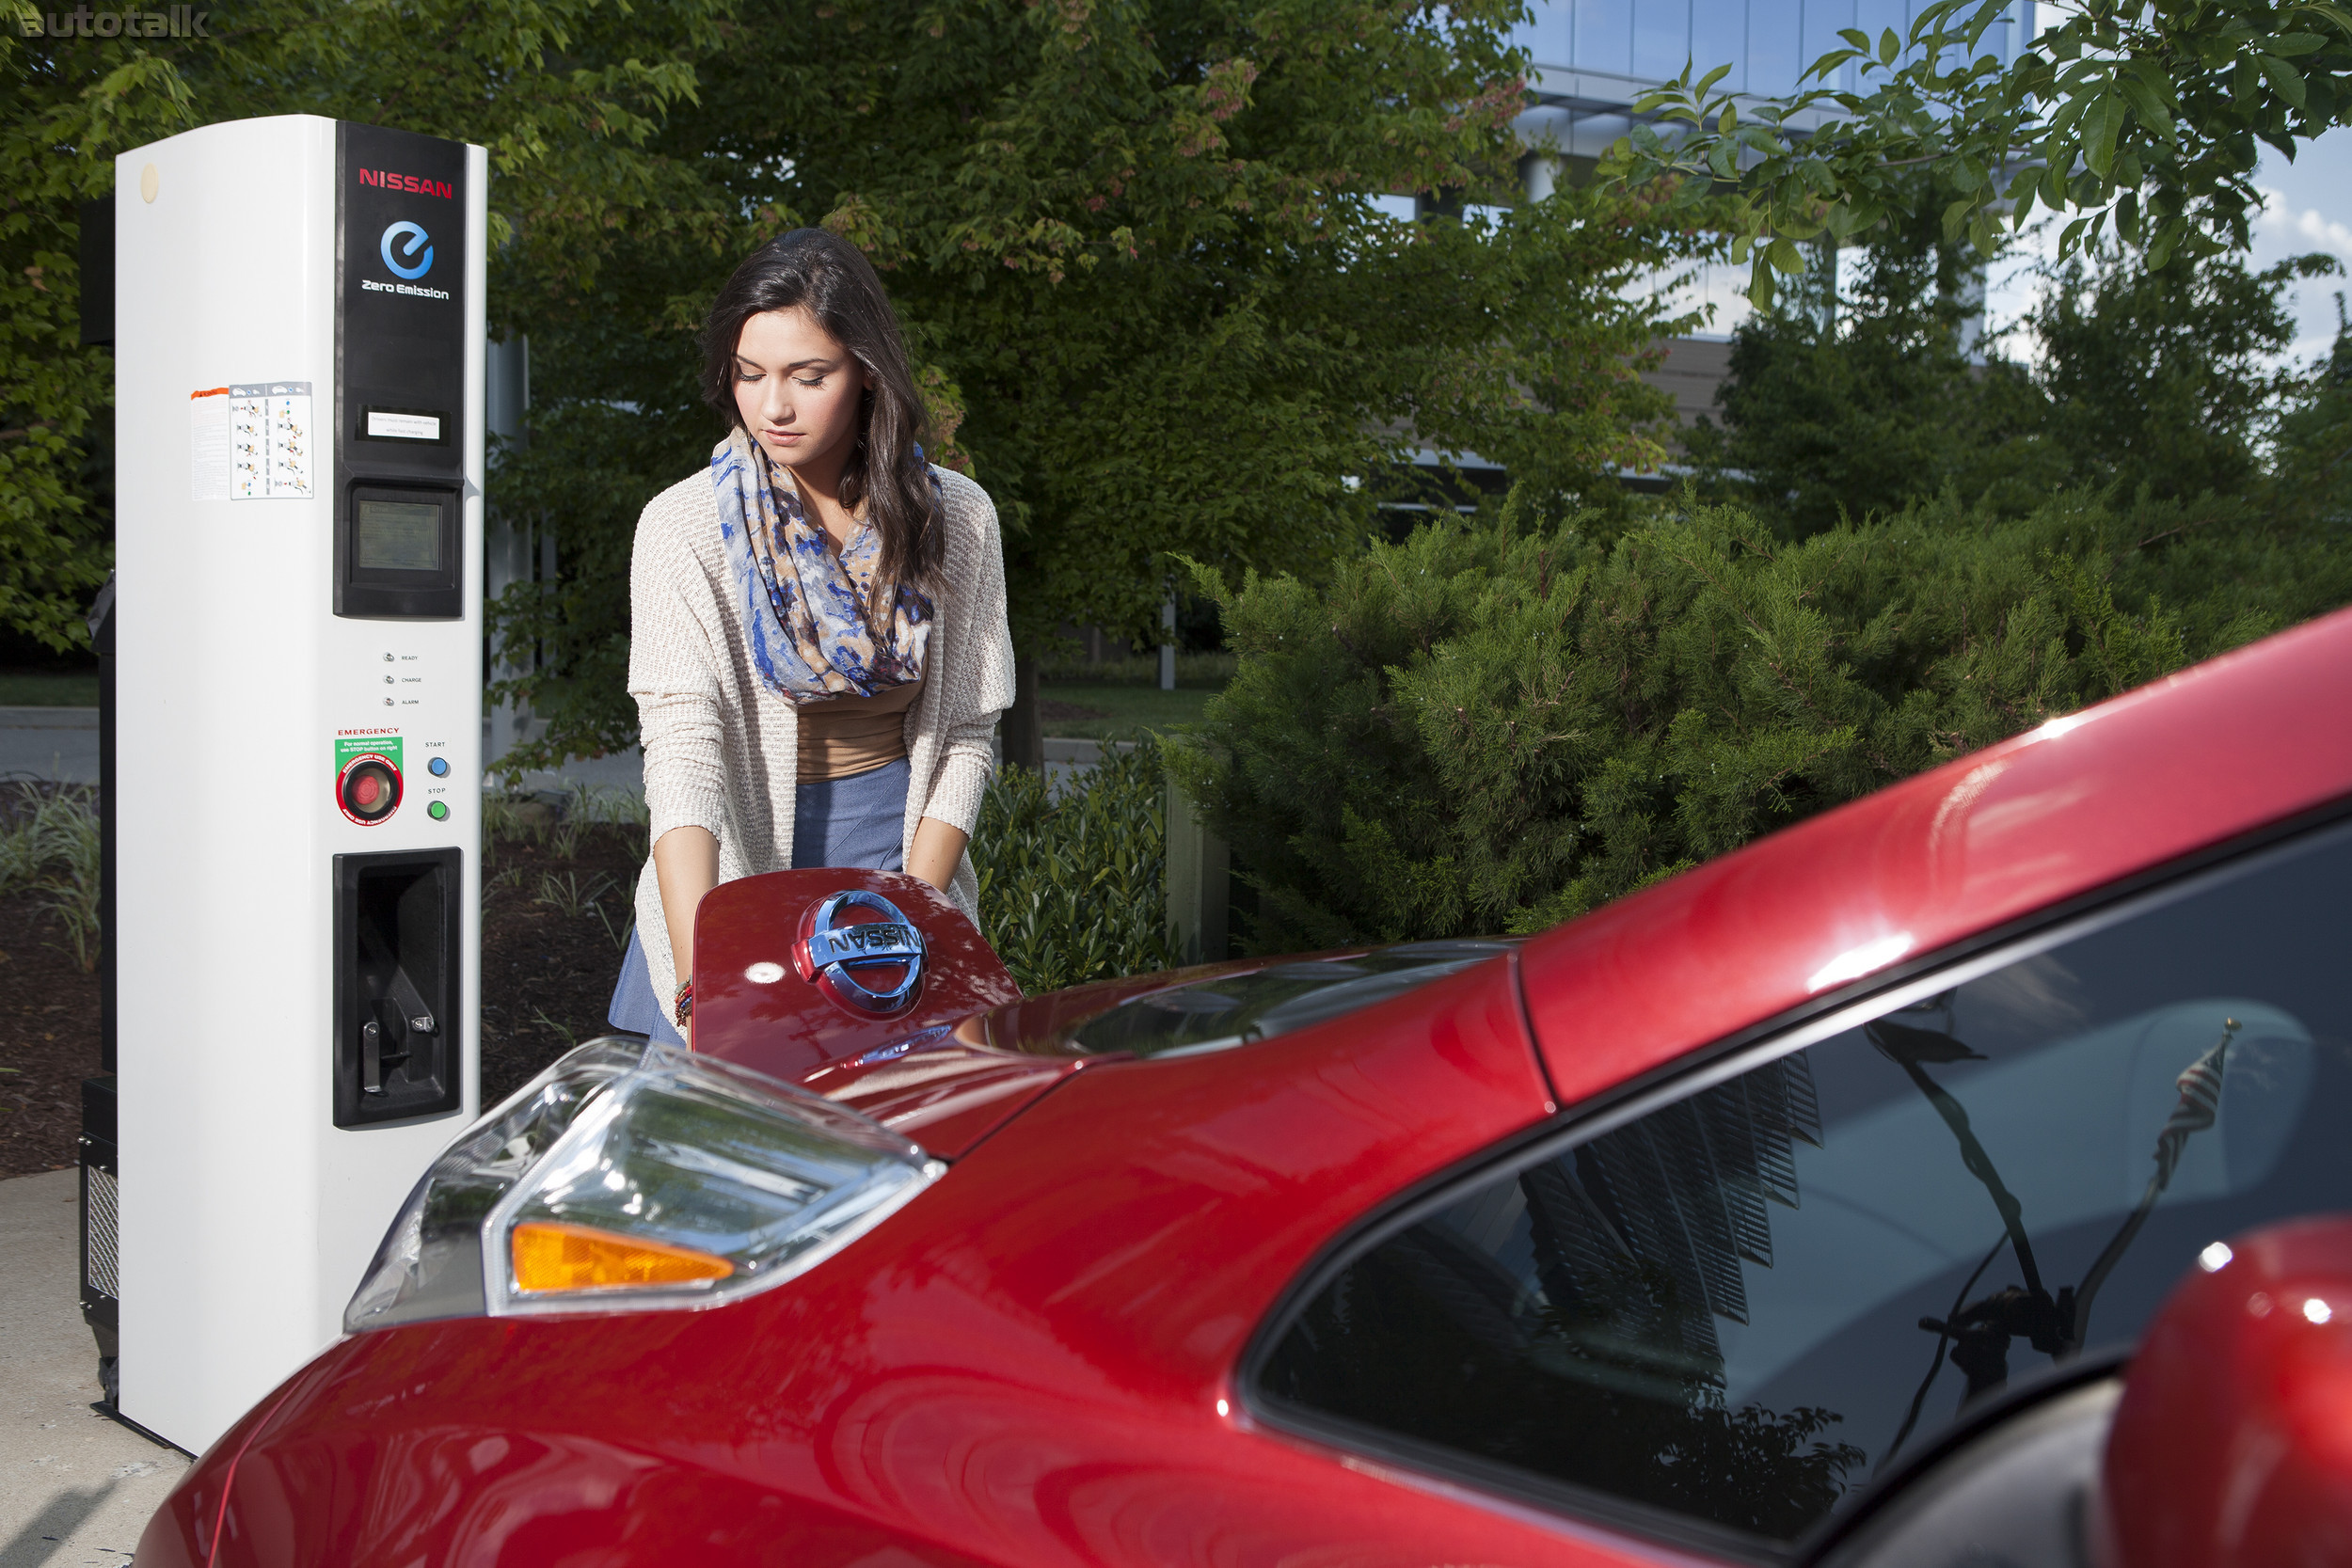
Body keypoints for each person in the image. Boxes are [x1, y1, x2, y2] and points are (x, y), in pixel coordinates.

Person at [608, 230, 1013, 1044]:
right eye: (749, 375)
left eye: (808, 376)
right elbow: (684, 756)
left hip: (899, 860)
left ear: (867, 372)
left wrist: (913, 914)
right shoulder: (682, 526)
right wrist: (700, 985)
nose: (774, 407)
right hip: (730, 870)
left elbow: (968, 731)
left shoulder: (956, 518)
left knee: (918, 1142)